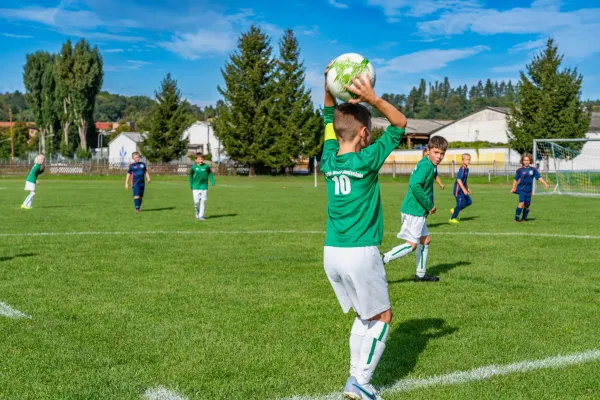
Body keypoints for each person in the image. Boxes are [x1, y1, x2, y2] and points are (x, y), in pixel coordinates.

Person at [321, 63, 407, 400]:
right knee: (383, 317)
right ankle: (361, 382)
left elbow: (329, 114)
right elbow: (400, 123)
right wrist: (372, 98)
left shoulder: (328, 158)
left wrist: (326, 82)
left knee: (364, 316)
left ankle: (354, 379)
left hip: (332, 252)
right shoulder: (367, 159)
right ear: (363, 134)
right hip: (361, 252)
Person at [382, 136, 448, 282]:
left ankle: (420, 274)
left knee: (425, 241)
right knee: (411, 245)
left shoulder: (429, 164)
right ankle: (382, 260)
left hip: (417, 210)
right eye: (436, 152)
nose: (439, 157)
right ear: (428, 150)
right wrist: (429, 205)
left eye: (442, 153)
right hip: (414, 210)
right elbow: (415, 186)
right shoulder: (425, 165)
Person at [511, 153, 549, 222]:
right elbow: (515, 179)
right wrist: (513, 187)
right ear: (522, 161)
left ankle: (524, 218)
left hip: (529, 190)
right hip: (521, 189)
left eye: (528, 160)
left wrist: (545, 184)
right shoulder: (520, 170)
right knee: (521, 203)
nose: (526, 162)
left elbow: (539, 177)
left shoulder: (533, 170)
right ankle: (516, 218)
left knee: (527, 204)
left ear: (530, 161)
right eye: (525, 160)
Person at [188, 153, 215, 220]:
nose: (201, 160)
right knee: (196, 202)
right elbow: (190, 176)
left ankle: (201, 216)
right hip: (195, 187)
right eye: (199, 159)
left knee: (203, 201)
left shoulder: (206, 166)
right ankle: (197, 211)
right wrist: (191, 186)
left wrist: (212, 181)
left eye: (202, 159)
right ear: (196, 160)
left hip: (204, 187)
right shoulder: (193, 167)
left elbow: (210, 174)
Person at [449, 153, 472, 224]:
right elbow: (459, 180)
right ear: (462, 161)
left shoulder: (466, 170)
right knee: (460, 204)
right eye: (467, 159)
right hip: (458, 190)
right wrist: (464, 189)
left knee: (469, 201)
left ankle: (455, 210)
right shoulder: (461, 170)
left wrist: (467, 188)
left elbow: (464, 180)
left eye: (469, 159)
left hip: (463, 189)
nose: (468, 161)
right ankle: (452, 218)